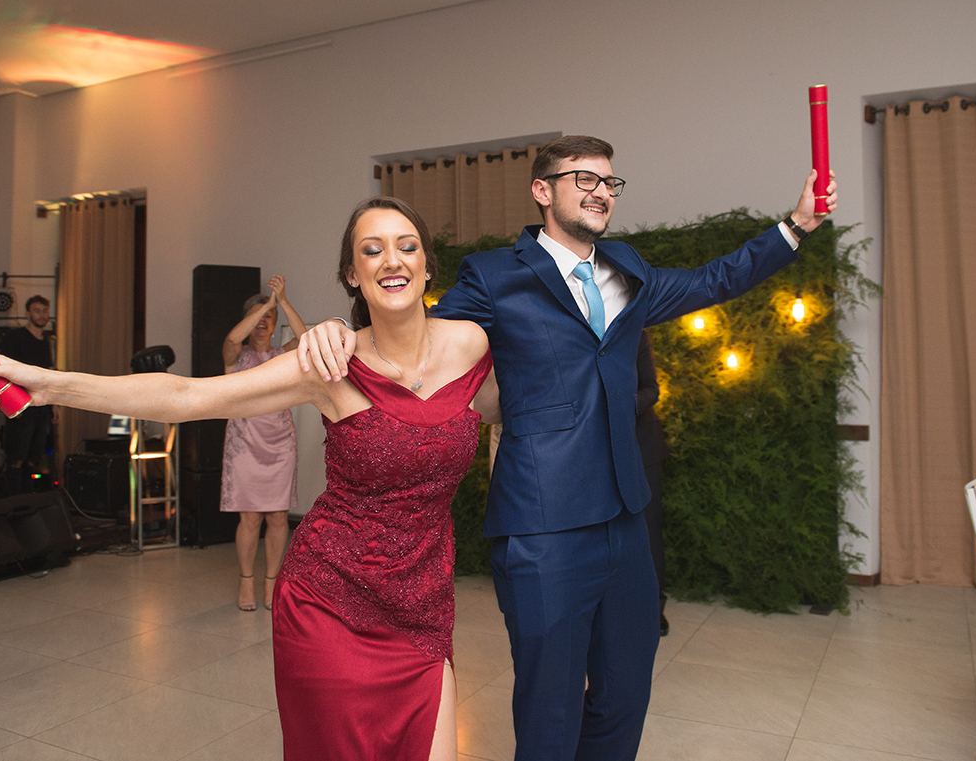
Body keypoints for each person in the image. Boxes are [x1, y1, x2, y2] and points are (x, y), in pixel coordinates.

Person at [296, 135, 837, 759]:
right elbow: (418, 324)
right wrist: (345, 326)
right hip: (541, 528)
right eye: (584, 178)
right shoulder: (495, 276)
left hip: (625, 519)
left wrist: (796, 226)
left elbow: (714, 278)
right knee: (550, 709)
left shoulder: (627, 269)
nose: (600, 191)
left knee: (625, 693)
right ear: (542, 191)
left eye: (609, 182)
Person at [0, 196, 498, 761]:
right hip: (331, 601)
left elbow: (533, 405)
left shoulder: (472, 346)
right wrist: (47, 384)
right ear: (352, 273)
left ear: (427, 266)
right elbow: (188, 396)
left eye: (406, 246)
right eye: (372, 250)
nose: (392, 260)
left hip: (423, 607)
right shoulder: (327, 366)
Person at [220, 275, 306, 611]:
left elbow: (305, 339)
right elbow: (231, 337)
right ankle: (246, 582)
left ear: (274, 327)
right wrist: (265, 305)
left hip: (280, 444)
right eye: (257, 318)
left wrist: (282, 302)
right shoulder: (235, 357)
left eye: (268, 319)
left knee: (278, 516)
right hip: (245, 443)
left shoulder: (282, 356)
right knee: (251, 518)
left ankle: (272, 582)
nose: (263, 323)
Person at [0, 295, 59, 494]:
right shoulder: (15, 338)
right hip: (21, 406)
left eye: (44, 311)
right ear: (27, 314)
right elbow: (4, 372)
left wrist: (54, 404)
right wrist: (12, 403)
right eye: (36, 310)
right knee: (17, 456)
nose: (41, 315)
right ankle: (14, 500)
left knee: (35, 456)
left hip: (42, 406)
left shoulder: (47, 340)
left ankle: (28, 500)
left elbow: (48, 374)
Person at [635, 329, 670, 637]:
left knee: (648, 529)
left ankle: (654, 609)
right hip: (596, 450)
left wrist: (613, 407)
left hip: (642, 445)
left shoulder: (637, 334)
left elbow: (651, 391)